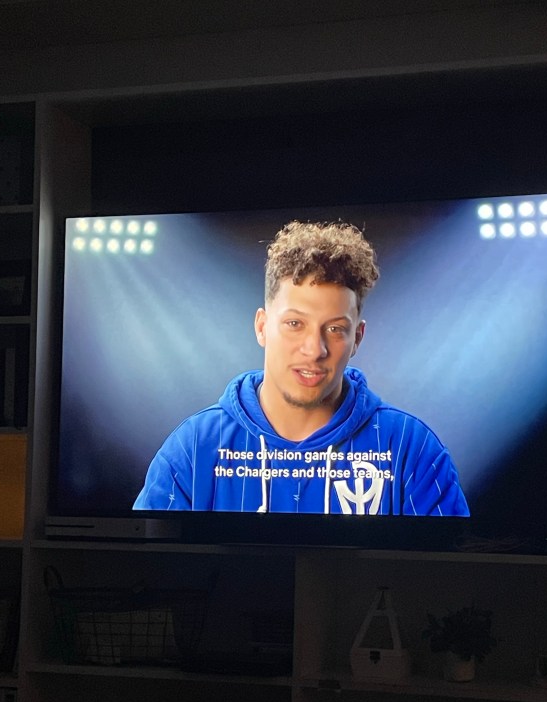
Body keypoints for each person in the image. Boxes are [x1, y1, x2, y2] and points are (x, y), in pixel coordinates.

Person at [134, 220, 469, 516]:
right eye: (295, 323)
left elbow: (445, 568)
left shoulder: (413, 449)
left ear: (357, 338)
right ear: (262, 327)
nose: (314, 349)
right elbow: (149, 564)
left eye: (335, 329)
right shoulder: (192, 447)